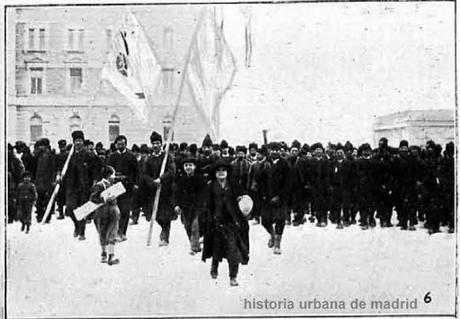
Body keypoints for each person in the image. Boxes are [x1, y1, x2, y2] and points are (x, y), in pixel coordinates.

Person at [201, 159, 249, 286]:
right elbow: (206, 204)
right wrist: (208, 219)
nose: (221, 173)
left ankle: (233, 277)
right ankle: (214, 266)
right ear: (215, 173)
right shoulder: (210, 186)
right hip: (215, 222)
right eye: (218, 171)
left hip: (232, 222)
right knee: (216, 248)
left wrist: (241, 199)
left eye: (223, 170)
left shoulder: (233, 185)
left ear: (227, 172)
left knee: (233, 250)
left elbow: (244, 196)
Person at [143, 131, 176, 246]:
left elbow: (172, 172)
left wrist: (161, 179)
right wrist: (152, 182)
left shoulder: (167, 157)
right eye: (154, 143)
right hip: (153, 191)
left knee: (166, 215)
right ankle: (163, 230)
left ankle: (164, 237)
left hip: (166, 191)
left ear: (161, 144)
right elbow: (145, 174)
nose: (156, 145)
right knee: (155, 215)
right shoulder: (149, 159)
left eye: (158, 143)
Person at [64, 130, 98, 240]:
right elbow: (65, 170)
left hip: (85, 187)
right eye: (76, 141)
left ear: (83, 142)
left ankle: (82, 232)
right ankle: (76, 226)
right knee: (70, 208)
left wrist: (95, 182)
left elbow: (95, 170)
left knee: (83, 210)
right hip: (72, 187)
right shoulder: (70, 156)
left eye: (80, 141)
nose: (78, 143)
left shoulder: (89, 155)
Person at [107, 135, 138, 241]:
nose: (121, 146)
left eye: (123, 144)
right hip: (115, 187)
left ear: (126, 144)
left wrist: (135, 184)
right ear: (116, 145)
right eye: (119, 144)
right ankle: (115, 232)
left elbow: (137, 171)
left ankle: (122, 233)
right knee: (116, 211)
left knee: (125, 210)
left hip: (127, 187)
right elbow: (108, 171)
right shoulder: (112, 157)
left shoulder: (131, 156)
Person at [175, 156, 206, 254]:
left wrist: (202, 204)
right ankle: (195, 242)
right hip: (185, 207)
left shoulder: (200, 179)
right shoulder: (181, 180)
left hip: (197, 207)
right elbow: (177, 194)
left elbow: (203, 193)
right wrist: (177, 205)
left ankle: (194, 247)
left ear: (195, 166)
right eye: (186, 165)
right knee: (187, 226)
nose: (188, 167)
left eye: (190, 165)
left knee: (195, 226)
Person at [90, 166, 121, 265]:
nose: (114, 177)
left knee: (110, 233)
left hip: (110, 211)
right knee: (105, 232)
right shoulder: (99, 185)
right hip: (103, 210)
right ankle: (106, 254)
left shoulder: (113, 185)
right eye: (113, 174)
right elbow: (93, 199)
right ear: (108, 175)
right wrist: (103, 198)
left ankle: (108, 255)